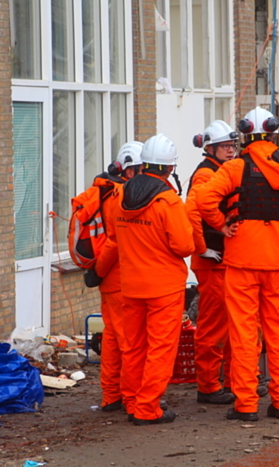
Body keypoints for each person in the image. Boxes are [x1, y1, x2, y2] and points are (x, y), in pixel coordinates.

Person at [195, 107, 279, 422]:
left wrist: (222, 224)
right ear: (271, 134)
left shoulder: (234, 168)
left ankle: (246, 405)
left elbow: (203, 200)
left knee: (244, 335)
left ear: (245, 136)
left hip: (242, 257)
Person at [104, 134, 194, 425]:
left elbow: (114, 236)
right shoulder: (168, 201)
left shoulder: (119, 195)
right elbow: (185, 246)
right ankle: (146, 408)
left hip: (130, 285)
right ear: (169, 169)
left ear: (144, 165)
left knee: (133, 347)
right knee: (160, 350)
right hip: (164, 288)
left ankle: (131, 401)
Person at [186, 120, 239, 405]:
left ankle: (232, 381)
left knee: (231, 323)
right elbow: (192, 212)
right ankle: (208, 385)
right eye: (225, 146)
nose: (230, 151)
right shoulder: (206, 175)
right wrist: (203, 247)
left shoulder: (217, 170)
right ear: (211, 148)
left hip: (221, 257)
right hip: (212, 260)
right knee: (214, 324)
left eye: (232, 145)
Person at [88, 142, 143, 412]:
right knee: (129, 340)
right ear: (129, 170)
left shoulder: (104, 192)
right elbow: (116, 241)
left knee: (112, 337)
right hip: (118, 276)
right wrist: (98, 272)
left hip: (110, 277)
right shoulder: (120, 196)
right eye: (141, 168)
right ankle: (132, 399)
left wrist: (97, 273)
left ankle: (112, 395)